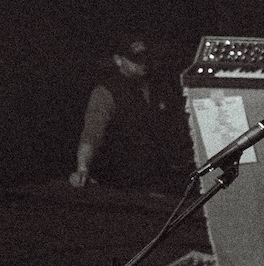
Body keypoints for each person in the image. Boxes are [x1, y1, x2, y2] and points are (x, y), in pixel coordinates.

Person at [69, 34, 182, 191]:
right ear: (118, 60)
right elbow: (92, 133)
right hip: (119, 182)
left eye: (144, 58)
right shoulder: (106, 92)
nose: (142, 63)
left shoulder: (160, 88)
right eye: (135, 59)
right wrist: (82, 168)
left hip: (158, 178)